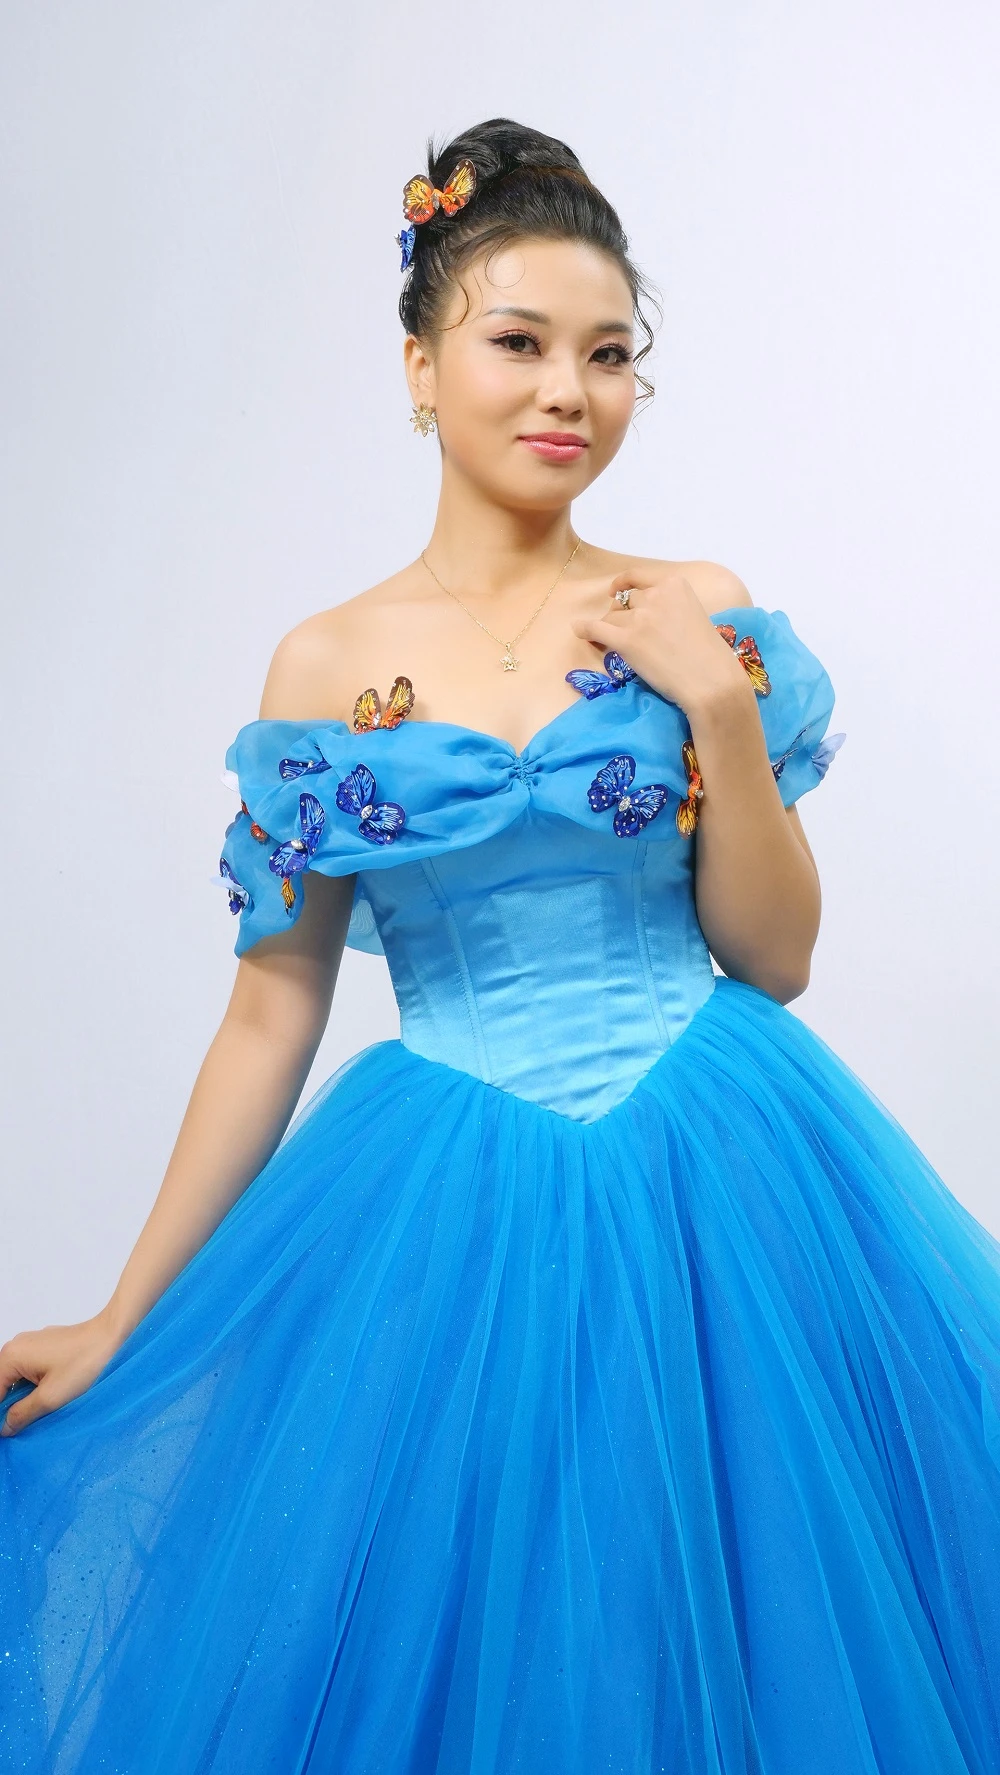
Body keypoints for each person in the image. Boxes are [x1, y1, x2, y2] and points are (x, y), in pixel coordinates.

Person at [2, 117, 999, 1775]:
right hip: (454, 1194)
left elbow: (778, 956)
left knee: (769, 1614)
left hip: (721, 1161)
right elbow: (271, 1014)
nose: (567, 393)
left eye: (608, 355)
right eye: (519, 343)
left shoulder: (694, 600)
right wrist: (126, 1313)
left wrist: (717, 708)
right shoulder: (328, 663)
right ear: (420, 365)